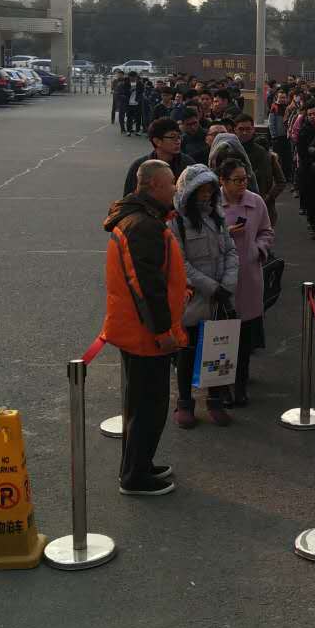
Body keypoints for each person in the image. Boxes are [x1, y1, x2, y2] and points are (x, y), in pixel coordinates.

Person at [101, 159, 188, 496]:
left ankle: (137, 465)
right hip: (145, 335)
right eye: (171, 183)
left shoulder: (139, 219)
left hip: (138, 331)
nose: (175, 188)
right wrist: (163, 332)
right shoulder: (143, 226)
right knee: (148, 407)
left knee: (141, 405)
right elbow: (145, 287)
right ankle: (135, 477)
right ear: (154, 185)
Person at [171, 165, 240, 429]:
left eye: (210, 190)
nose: (207, 195)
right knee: (187, 353)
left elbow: (231, 251)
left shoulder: (217, 217)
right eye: (201, 190)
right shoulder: (177, 222)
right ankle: (184, 402)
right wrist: (212, 287)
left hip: (220, 297)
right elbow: (181, 264)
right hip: (194, 298)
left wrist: (228, 284)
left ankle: (215, 401)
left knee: (218, 350)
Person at [217, 158, 274, 408]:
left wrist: (258, 249)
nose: (242, 184)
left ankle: (240, 386)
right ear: (223, 181)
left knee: (244, 337)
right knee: (222, 337)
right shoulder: (212, 205)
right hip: (222, 278)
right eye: (237, 180)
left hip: (250, 277)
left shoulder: (256, 202)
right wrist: (226, 233)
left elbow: (266, 231)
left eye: (245, 179)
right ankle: (221, 388)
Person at [124, 117, 195, 195]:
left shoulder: (188, 165)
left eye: (179, 137)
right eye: (172, 137)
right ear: (157, 141)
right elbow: (129, 198)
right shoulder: (140, 167)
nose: (178, 141)